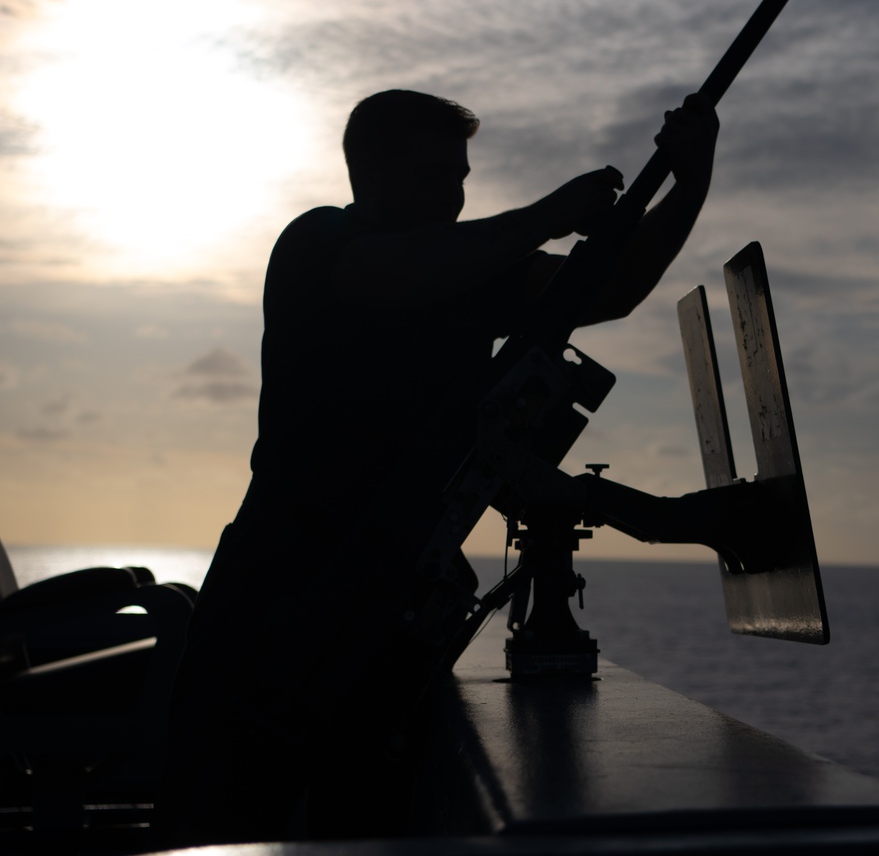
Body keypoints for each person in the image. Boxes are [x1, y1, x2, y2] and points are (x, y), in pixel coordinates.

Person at [156, 88, 718, 845]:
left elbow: (607, 289)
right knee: (213, 825)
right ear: (369, 175)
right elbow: (394, 273)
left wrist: (691, 184)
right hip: (274, 602)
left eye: (458, 179)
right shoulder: (317, 246)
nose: (451, 198)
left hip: (383, 619)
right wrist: (548, 215)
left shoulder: (472, 278)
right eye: (430, 177)